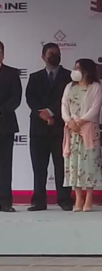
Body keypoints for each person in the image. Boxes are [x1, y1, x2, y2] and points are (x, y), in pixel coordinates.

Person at [25, 43, 73, 211]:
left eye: (57, 53)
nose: (54, 56)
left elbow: (68, 99)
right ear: (43, 56)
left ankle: (64, 199)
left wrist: (52, 112)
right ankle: (39, 201)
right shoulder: (34, 77)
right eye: (51, 53)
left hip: (60, 127)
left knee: (62, 166)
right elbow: (30, 99)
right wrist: (44, 115)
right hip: (38, 129)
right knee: (39, 167)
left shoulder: (69, 76)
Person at [62, 58, 102, 212]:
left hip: (88, 130)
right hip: (72, 130)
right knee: (74, 164)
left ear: (87, 70)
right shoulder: (69, 87)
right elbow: (64, 105)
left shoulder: (96, 87)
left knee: (89, 163)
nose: (75, 70)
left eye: (78, 68)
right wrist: (69, 121)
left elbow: (95, 109)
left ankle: (89, 198)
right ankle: (78, 198)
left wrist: (80, 121)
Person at [0, 41, 21, 213]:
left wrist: (1, 111)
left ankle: (5, 202)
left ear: (3, 54)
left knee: (5, 165)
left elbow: (16, 98)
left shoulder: (12, 73)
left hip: (5, 124)